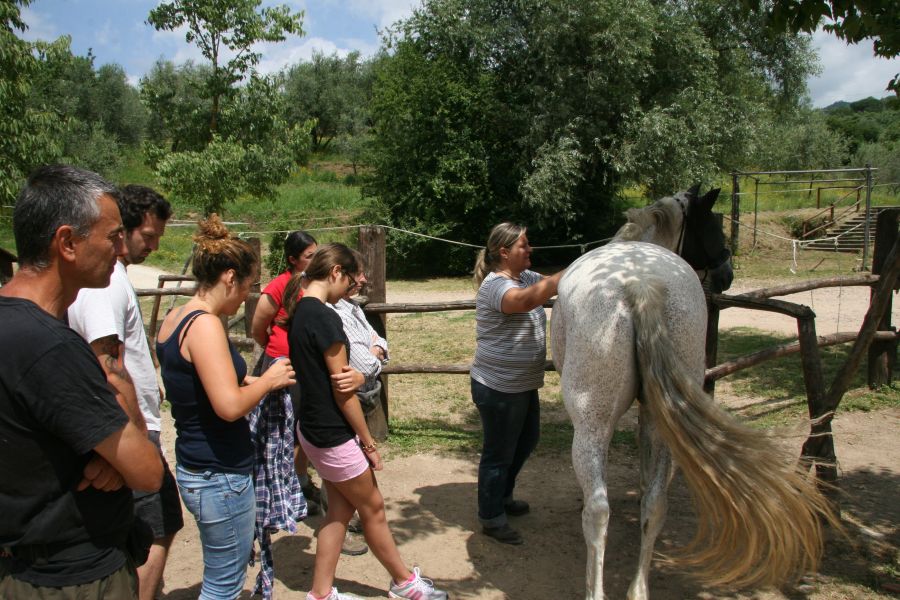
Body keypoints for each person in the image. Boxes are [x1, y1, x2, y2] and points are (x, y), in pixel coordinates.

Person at [0, 164, 163, 598]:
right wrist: (122, 436)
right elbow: (148, 471)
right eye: (111, 236)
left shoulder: (13, 326)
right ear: (68, 243)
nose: (121, 248)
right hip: (73, 577)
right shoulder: (51, 348)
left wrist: (111, 454)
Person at [284, 243, 447, 600]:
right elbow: (343, 391)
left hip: (311, 429)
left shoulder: (300, 312)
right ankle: (405, 584)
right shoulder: (326, 317)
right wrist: (367, 442)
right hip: (332, 433)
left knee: (339, 512)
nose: (350, 289)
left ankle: (321, 593)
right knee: (371, 507)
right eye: (348, 279)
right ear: (335, 273)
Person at [155, 215, 296, 599]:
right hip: (219, 474)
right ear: (230, 278)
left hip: (197, 464)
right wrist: (267, 381)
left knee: (222, 574)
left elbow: (197, 383)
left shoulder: (178, 317)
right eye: (248, 287)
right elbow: (229, 407)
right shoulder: (205, 326)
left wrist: (249, 381)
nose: (246, 298)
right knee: (224, 585)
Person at [68, 184, 183, 600]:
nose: (152, 246)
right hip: (130, 429)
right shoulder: (106, 284)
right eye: (147, 236)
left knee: (151, 527)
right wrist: (130, 439)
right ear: (122, 230)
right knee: (154, 529)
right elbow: (108, 366)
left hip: (130, 426)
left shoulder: (108, 279)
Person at [470, 223, 564, 545]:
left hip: (522, 384)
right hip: (498, 386)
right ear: (504, 252)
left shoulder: (525, 277)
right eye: (524, 246)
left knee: (526, 441)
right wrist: (561, 277)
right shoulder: (495, 286)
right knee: (498, 453)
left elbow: (548, 288)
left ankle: (503, 496)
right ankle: (491, 517)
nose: (530, 250)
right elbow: (524, 302)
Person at [250, 230, 323, 514]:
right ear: (293, 259)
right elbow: (258, 325)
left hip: (307, 364)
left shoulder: (314, 283)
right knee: (287, 429)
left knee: (304, 425)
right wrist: (275, 350)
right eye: (309, 256)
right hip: (286, 365)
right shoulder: (281, 285)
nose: (315, 259)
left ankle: (300, 480)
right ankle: (288, 488)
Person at [325, 249, 390, 557]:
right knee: (349, 468)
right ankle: (350, 522)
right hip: (349, 402)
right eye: (359, 273)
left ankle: (347, 518)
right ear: (340, 273)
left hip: (362, 397)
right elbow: (363, 364)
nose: (364, 279)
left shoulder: (351, 307)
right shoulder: (332, 314)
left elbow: (379, 342)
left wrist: (374, 354)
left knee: (351, 469)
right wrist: (373, 357)